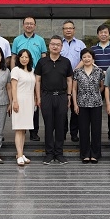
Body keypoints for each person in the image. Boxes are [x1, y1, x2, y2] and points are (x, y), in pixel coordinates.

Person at [35, 35, 73, 165]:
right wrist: (38, 97)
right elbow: (38, 80)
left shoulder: (66, 62)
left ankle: (59, 153)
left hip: (62, 96)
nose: (55, 46)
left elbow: (69, 80)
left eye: (58, 44)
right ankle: (49, 153)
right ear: (49, 46)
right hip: (47, 96)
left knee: (60, 125)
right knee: (48, 125)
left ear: (61, 47)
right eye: (53, 44)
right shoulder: (42, 62)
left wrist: (69, 96)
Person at [11, 17, 47, 143]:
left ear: (35, 26)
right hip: (20, 74)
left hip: (35, 75)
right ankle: (22, 131)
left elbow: (43, 57)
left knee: (34, 101)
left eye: (31, 24)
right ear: (23, 25)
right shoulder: (17, 40)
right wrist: (13, 72)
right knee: (21, 100)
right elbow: (13, 57)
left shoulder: (40, 40)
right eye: (27, 23)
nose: (29, 25)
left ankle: (34, 132)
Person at [71, 48, 104, 164]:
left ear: (93, 58)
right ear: (81, 59)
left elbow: (102, 86)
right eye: (84, 57)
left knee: (96, 130)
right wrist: (75, 104)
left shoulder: (99, 71)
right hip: (82, 104)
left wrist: (95, 93)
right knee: (83, 130)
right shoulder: (77, 72)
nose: (86, 59)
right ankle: (85, 154)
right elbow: (74, 89)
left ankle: (95, 154)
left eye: (89, 56)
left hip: (96, 104)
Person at [91, 24, 110, 140]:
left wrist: (108, 71)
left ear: (109, 34)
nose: (103, 34)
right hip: (97, 82)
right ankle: (96, 133)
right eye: (101, 33)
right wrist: (101, 71)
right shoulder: (93, 48)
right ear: (98, 35)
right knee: (96, 108)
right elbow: (91, 62)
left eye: (105, 32)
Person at [60, 20, 86, 144]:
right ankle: (63, 132)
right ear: (63, 30)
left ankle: (74, 133)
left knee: (76, 107)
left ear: (74, 30)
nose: (68, 30)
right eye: (66, 28)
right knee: (63, 107)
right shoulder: (59, 44)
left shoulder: (80, 44)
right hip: (61, 79)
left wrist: (74, 70)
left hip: (77, 79)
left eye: (70, 28)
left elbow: (85, 58)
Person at [11, 49, 36, 166]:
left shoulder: (32, 71)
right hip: (19, 100)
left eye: (26, 57)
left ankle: (21, 153)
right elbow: (13, 87)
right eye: (22, 57)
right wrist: (15, 101)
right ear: (18, 58)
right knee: (19, 128)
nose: (24, 59)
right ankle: (19, 155)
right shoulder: (16, 70)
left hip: (29, 101)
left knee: (24, 129)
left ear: (29, 59)